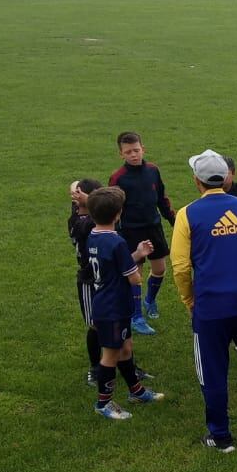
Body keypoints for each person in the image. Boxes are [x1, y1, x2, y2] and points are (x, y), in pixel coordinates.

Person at [171, 150, 237, 452]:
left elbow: (180, 267)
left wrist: (189, 299)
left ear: (196, 181)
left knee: (213, 371)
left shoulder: (187, 214)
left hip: (211, 306)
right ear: (227, 178)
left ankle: (221, 435)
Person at [78, 186, 164, 420]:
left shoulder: (94, 236)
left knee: (126, 348)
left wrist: (136, 253)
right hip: (112, 307)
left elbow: (113, 265)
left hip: (110, 302)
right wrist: (134, 263)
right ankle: (103, 404)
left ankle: (136, 392)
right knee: (111, 354)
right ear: (119, 214)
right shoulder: (116, 242)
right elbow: (133, 277)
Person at [109, 131, 175, 337]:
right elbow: (112, 207)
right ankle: (136, 317)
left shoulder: (153, 170)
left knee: (160, 268)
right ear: (121, 154)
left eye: (136, 150)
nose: (133, 155)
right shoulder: (118, 178)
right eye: (128, 152)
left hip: (153, 227)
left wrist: (173, 220)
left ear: (143, 149)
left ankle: (149, 301)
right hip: (130, 231)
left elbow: (161, 198)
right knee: (134, 275)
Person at [68, 178, 106, 386]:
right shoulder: (78, 221)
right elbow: (95, 220)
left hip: (109, 277)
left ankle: (127, 363)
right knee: (96, 325)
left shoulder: (98, 215)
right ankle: (95, 366)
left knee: (119, 322)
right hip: (89, 281)